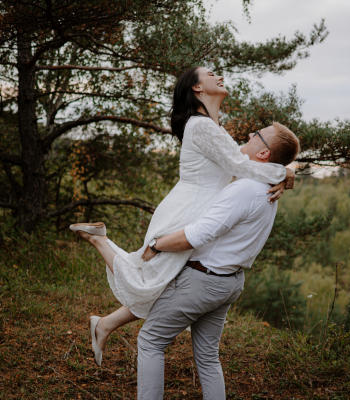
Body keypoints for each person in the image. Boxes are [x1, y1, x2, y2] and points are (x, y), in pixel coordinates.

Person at [69, 67, 295, 366]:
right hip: (185, 211)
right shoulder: (201, 126)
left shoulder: (213, 127)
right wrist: (285, 173)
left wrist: (288, 170)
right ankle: (98, 240)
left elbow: (250, 160)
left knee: (165, 284)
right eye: (210, 73)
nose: (219, 75)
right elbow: (243, 166)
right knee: (148, 278)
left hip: (198, 209)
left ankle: (104, 324)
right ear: (197, 88)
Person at [137, 122, 300, 399]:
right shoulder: (267, 187)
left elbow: (198, 234)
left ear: (264, 153)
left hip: (203, 281)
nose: (250, 135)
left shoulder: (246, 189)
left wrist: (156, 245)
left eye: (257, 135)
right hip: (229, 283)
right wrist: (286, 173)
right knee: (208, 356)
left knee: (150, 341)